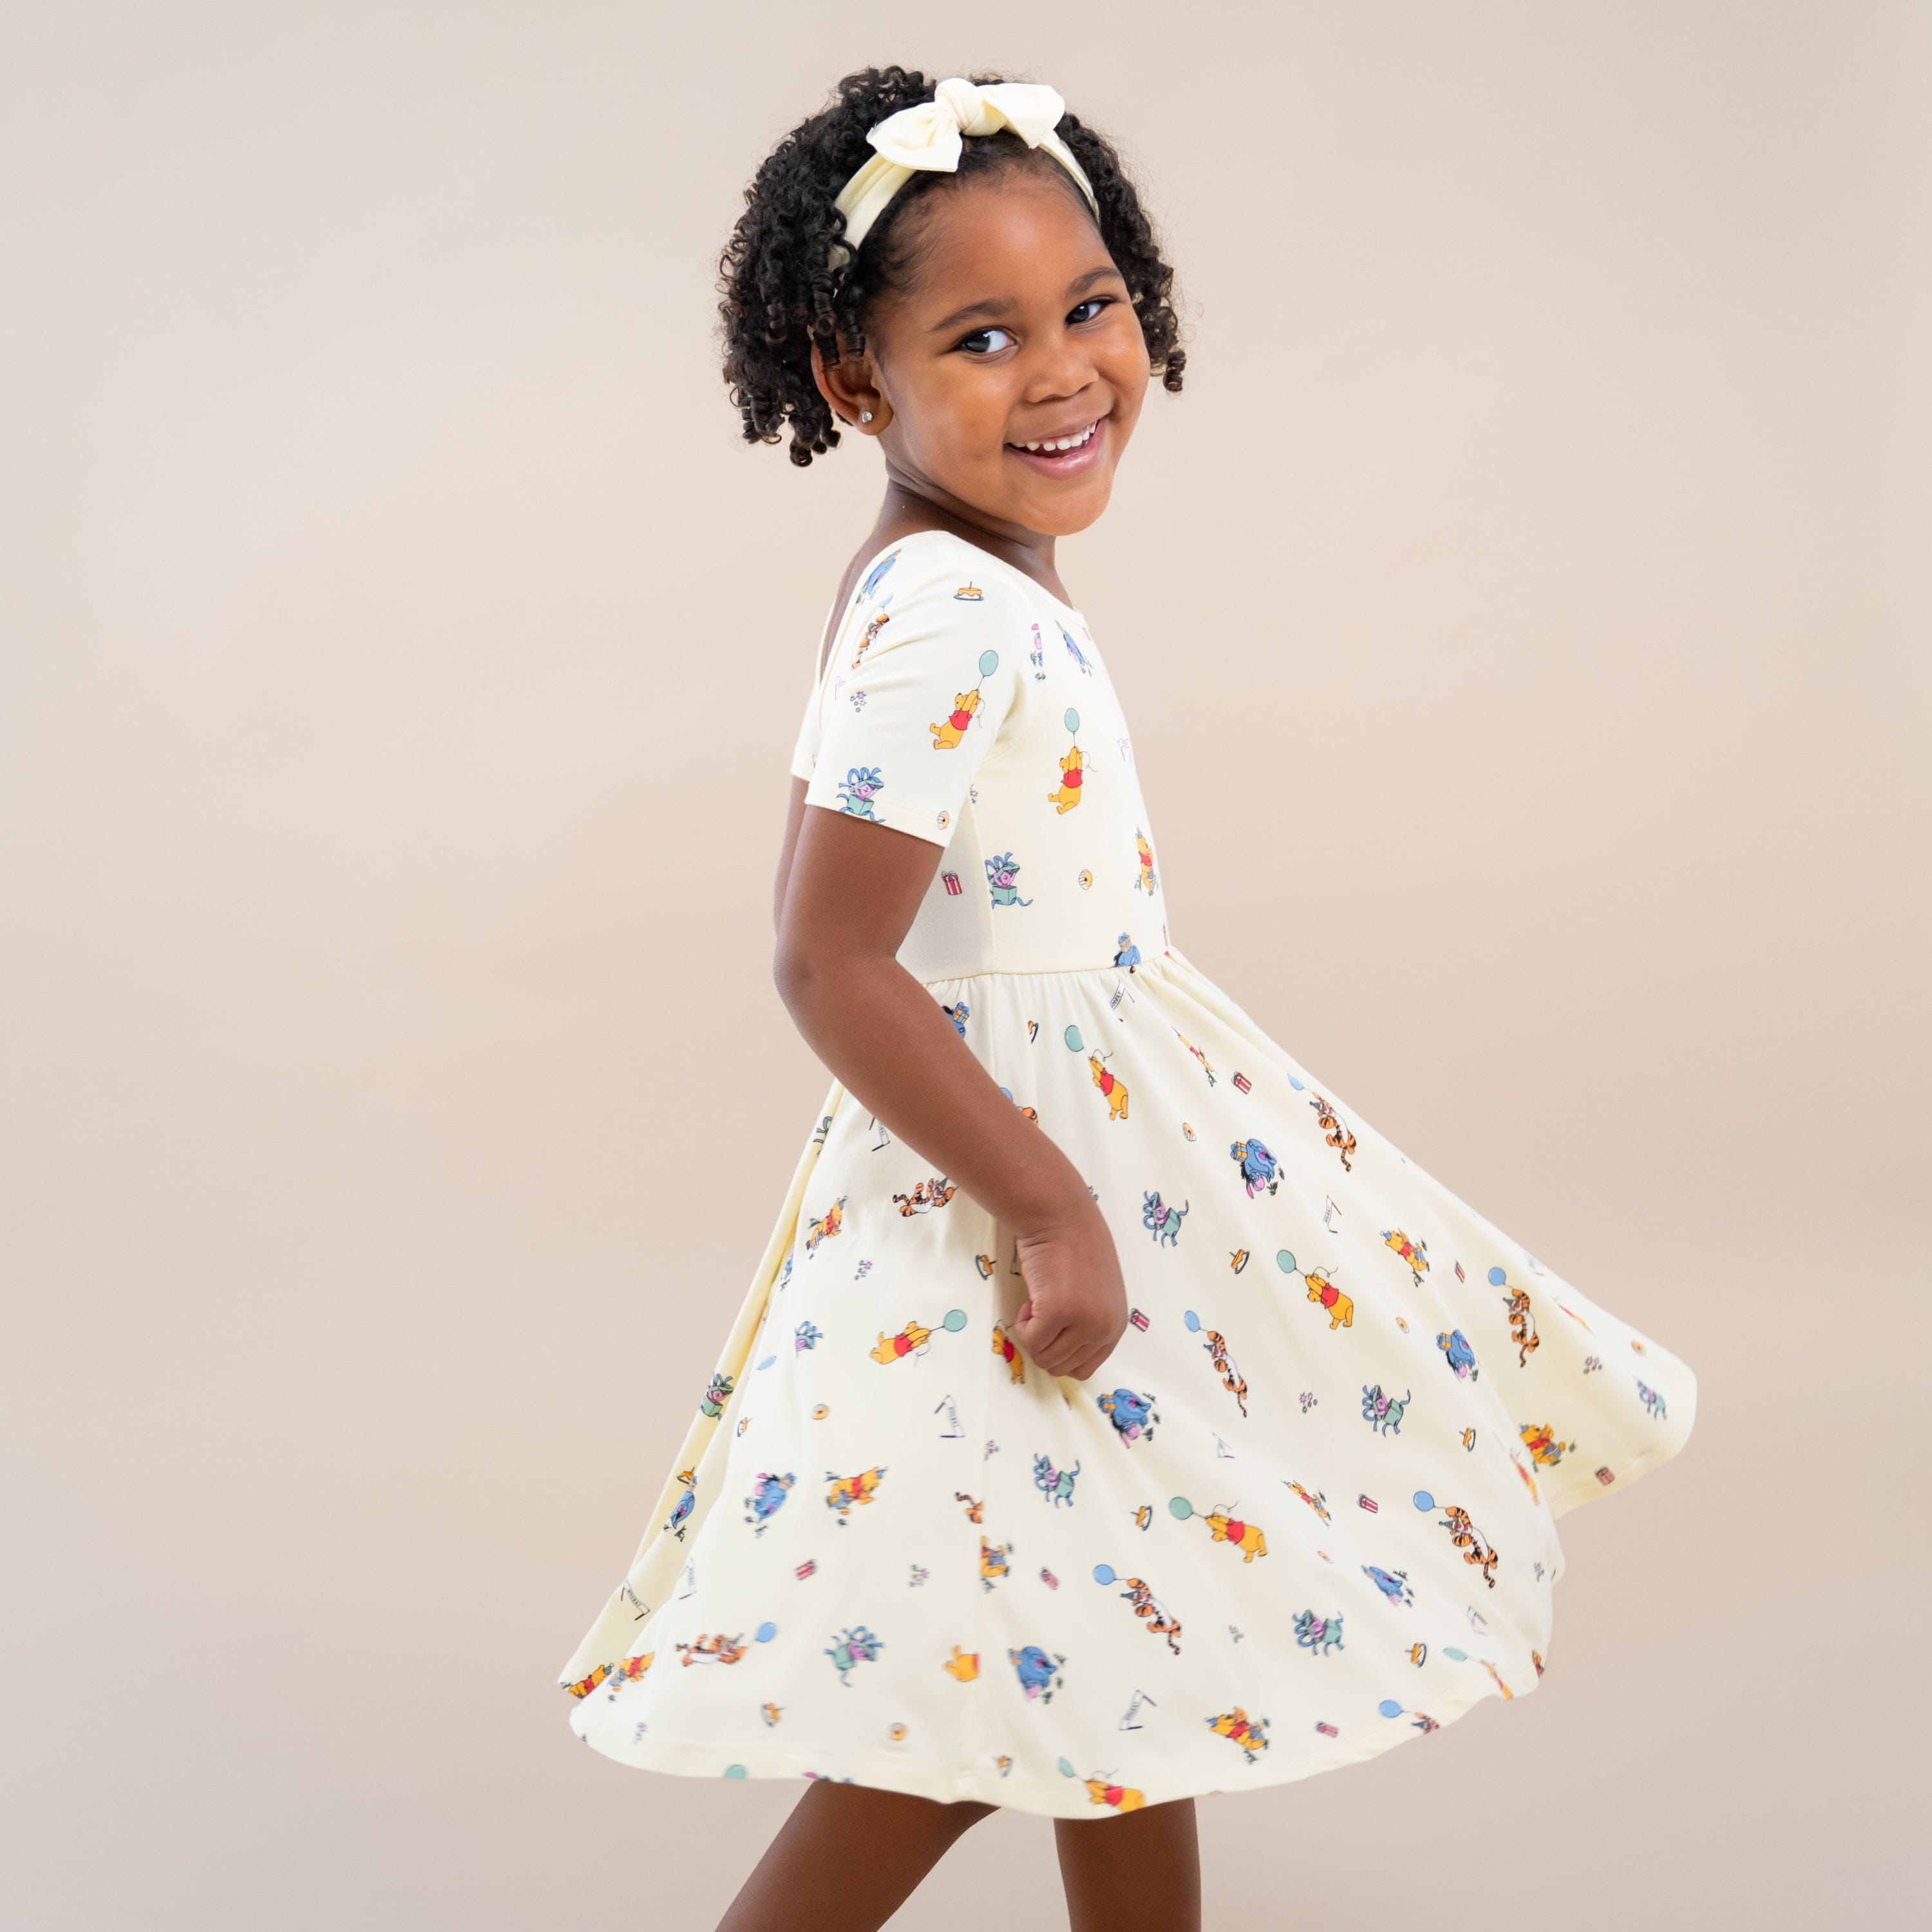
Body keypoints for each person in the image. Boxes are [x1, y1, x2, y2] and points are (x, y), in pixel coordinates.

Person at [556, 67, 1699, 1932]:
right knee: (954, 1723)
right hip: (1009, 1208)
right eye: (985, 336)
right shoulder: (948, 608)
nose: (1068, 368)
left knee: (1130, 1646)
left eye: (1091, 306)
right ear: (858, 383)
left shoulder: (968, 575)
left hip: (1077, 1156)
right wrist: (1054, 1206)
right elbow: (827, 952)